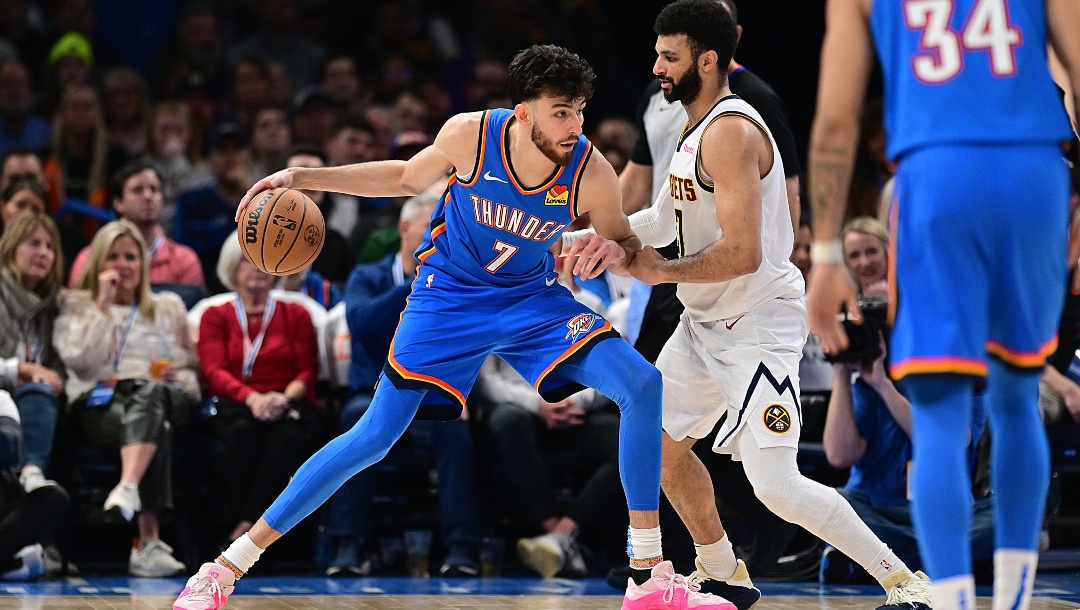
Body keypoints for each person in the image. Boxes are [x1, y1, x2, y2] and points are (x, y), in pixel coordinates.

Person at [174, 44, 729, 610]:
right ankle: (226, 568)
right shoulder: (472, 135)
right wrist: (299, 174)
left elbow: (629, 247)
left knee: (642, 385)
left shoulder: (591, 173)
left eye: (580, 110)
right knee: (375, 435)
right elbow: (404, 178)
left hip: (531, 300)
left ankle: (646, 573)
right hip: (450, 299)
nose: (575, 124)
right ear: (524, 113)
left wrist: (607, 247)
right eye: (561, 111)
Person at [565, 1, 932, 608]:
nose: (656, 66)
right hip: (704, 322)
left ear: (708, 61)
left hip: (757, 323)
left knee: (777, 486)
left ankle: (904, 581)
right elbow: (665, 215)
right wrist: (606, 236)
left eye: (669, 56)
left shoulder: (733, 130)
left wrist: (655, 267)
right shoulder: (693, 126)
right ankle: (722, 571)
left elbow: (742, 252)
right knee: (654, 444)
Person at [807, 0, 1080, 608]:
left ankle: (953, 601)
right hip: (1034, 170)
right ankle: (1012, 601)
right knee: (1016, 395)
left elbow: (835, 121)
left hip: (936, 174)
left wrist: (826, 255)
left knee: (938, 411)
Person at [324, 192, 481, 578]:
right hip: (373, 394)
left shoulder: (457, 281)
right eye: (432, 226)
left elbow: (467, 340)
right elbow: (360, 323)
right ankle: (348, 543)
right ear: (404, 229)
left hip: (428, 397)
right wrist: (415, 286)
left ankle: (462, 547)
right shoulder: (369, 275)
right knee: (356, 417)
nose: (439, 235)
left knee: (456, 429)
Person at [54, 220, 199, 577]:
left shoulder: (168, 307)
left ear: (144, 265)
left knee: (151, 394)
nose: (123, 265)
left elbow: (194, 373)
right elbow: (79, 361)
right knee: (156, 423)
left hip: (162, 393)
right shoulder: (76, 305)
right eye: (113, 257)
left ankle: (128, 486)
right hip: (99, 404)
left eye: (131, 257)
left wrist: (179, 378)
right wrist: (101, 308)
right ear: (97, 264)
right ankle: (148, 543)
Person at [197, 233, 323, 551]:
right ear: (232, 268)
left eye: (264, 259)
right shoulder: (215, 315)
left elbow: (307, 370)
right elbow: (214, 371)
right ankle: (244, 526)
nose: (257, 268)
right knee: (242, 433)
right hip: (237, 401)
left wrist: (284, 398)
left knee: (288, 437)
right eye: (247, 260)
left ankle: (244, 526)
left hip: (286, 399)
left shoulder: (298, 314)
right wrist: (252, 399)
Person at [0, 213, 66, 494]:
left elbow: (62, 366)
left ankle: (33, 485)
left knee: (40, 396)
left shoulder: (55, 306)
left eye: (50, 247)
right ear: (11, 247)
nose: (43, 253)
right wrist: (22, 369)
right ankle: (27, 480)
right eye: (34, 243)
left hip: (41, 404)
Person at [68, 161, 205, 290]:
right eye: (138, 190)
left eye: (154, 190)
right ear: (118, 203)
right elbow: (78, 311)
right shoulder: (90, 258)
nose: (148, 196)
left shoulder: (185, 260)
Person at [0, 389, 70, 581]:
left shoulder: (2, 399)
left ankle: (9, 560)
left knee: (54, 497)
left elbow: (10, 449)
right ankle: (9, 561)